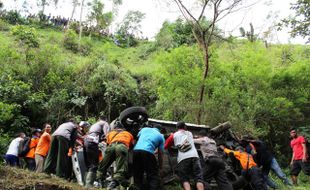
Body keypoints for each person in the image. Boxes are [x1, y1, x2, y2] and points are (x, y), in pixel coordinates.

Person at [164, 121, 204, 190]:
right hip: (195, 156)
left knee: (185, 179)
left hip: (183, 158)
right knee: (198, 178)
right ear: (185, 127)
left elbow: (166, 145)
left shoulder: (174, 135)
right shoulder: (190, 133)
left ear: (177, 128)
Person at [97, 122, 134, 189]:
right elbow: (131, 148)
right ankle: (114, 183)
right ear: (123, 128)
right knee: (120, 168)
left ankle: (99, 181)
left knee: (103, 165)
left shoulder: (110, 133)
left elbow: (107, 144)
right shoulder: (129, 134)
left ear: (115, 128)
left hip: (111, 146)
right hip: (122, 147)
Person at [133, 126, 165, 190]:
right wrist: (160, 167)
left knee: (137, 174)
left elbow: (136, 139)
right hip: (148, 152)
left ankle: (137, 187)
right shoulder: (161, 136)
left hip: (136, 151)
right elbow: (160, 154)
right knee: (153, 175)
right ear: (160, 130)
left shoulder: (144, 129)